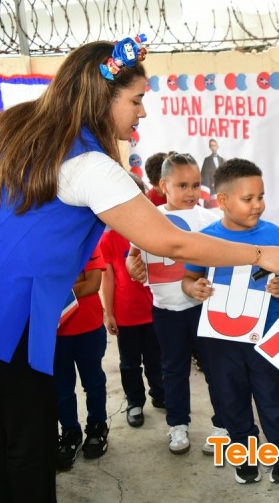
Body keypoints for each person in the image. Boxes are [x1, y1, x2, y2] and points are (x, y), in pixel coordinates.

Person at [0, 38, 279, 503]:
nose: (142, 112)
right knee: (29, 440)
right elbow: (169, 241)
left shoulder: (15, 122)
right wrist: (258, 255)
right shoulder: (88, 164)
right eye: (136, 100)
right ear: (103, 97)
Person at [183, 158, 279, 485]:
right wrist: (194, 288)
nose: (258, 205)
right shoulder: (205, 239)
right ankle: (243, 452)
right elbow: (188, 278)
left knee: (274, 398)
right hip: (220, 342)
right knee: (231, 399)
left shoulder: (272, 232)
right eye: (248, 199)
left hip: (266, 338)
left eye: (261, 197)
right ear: (222, 200)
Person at [126, 152, 225, 455]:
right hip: (166, 311)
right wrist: (132, 265)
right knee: (173, 370)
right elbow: (133, 253)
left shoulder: (209, 219)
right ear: (162, 186)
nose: (191, 192)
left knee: (215, 368)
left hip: (203, 310)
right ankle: (177, 424)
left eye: (195, 185)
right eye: (182, 186)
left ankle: (223, 424)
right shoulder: (149, 220)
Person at [99, 172, 164, 429]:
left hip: (155, 310)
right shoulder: (108, 239)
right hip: (126, 315)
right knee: (130, 364)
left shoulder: (154, 233)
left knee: (156, 360)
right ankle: (135, 402)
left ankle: (160, 393)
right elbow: (108, 278)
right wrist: (109, 313)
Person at [54, 247, 110, 469]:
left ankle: (97, 427)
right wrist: (77, 282)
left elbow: (93, 284)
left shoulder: (89, 244)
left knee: (93, 383)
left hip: (89, 329)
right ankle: (70, 432)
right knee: (61, 388)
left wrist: (56, 290)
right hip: (56, 333)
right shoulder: (42, 245)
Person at [200, 138, 225, 207]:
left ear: (217, 146)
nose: (213, 147)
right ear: (210, 147)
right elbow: (204, 175)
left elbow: (225, 174)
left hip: (221, 187)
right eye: (211, 146)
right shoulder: (207, 160)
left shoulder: (222, 160)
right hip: (211, 189)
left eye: (214, 145)